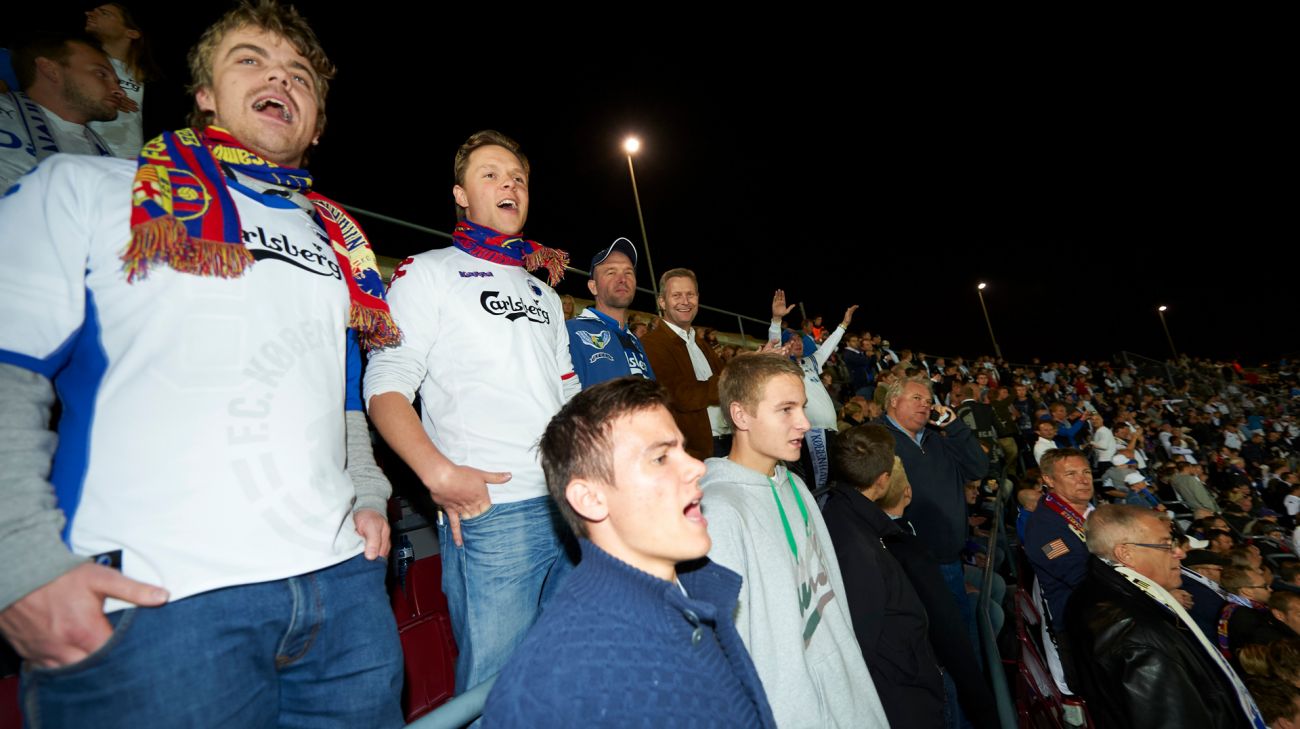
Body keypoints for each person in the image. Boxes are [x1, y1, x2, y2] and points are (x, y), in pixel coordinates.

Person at [0, 2, 404, 724]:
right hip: (158, 607)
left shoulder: (339, 240)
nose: (280, 79)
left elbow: (341, 396)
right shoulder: (84, 187)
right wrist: (19, 564)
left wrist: (369, 498)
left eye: (300, 75)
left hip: (342, 593)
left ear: (316, 124)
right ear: (206, 94)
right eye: (251, 60)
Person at [363, 129, 579, 694]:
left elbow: (569, 395)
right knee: (494, 695)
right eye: (491, 174)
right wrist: (438, 474)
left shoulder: (544, 293)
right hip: (492, 514)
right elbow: (385, 384)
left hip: (569, 505)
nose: (510, 184)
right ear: (460, 195)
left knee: (568, 678)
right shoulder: (427, 271)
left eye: (519, 178)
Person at [484, 378, 775, 728]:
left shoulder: (700, 589)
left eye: (683, 450)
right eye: (660, 457)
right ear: (590, 499)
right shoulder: (549, 690)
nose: (697, 466)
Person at [701, 354, 888, 728]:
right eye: (786, 409)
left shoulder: (797, 487)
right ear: (740, 415)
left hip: (847, 697)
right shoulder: (718, 511)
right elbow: (728, 651)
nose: (804, 422)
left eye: (802, 407)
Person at [1065, 505, 1266, 729]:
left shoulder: (1093, 592)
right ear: (1126, 553)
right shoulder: (1138, 634)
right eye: (1166, 544)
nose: (1180, 553)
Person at [821, 424, 944, 729]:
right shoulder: (856, 545)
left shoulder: (844, 514)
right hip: (899, 693)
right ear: (883, 480)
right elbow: (864, 637)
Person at [878, 374, 988, 653]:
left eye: (929, 401)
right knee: (938, 645)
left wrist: (955, 426)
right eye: (916, 398)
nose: (925, 405)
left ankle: (971, 681)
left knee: (960, 639)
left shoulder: (936, 439)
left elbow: (978, 468)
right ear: (893, 400)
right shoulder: (875, 439)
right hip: (909, 563)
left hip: (949, 557)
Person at [0, 31, 121, 192]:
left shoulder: (100, 153)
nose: (120, 91)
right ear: (51, 70)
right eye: (101, 74)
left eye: (117, 82)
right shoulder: (5, 114)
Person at [766, 289, 857, 489]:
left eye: (799, 339)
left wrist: (843, 325)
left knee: (831, 483)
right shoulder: (782, 365)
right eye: (791, 340)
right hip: (813, 432)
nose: (797, 343)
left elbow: (828, 346)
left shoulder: (811, 362)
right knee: (821, 486)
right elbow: (773, 344)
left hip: (829, 430)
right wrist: (776, 320)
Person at [641, 268, 729, 460]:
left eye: (690, 294)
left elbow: (727, 377)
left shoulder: (700, 343)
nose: (685, 301)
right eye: (677, 295)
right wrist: (724, 383)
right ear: (662, 302)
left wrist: (753, 362)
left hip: (728, 440)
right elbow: (679, 394)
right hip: (695, 452)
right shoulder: (650, 343)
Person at [565, 237, 653, 388]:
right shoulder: (571, 332)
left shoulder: (635, 341)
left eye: (628, 273)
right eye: (611, 272)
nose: (622, 279)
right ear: (593, 287)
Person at [84, 3, 158, 158]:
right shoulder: (80, 64)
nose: (89, 13)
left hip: (129, 159)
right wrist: (100, 99)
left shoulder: (149, 78)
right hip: (86, 155)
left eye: (104, 13)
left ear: (132, 33)